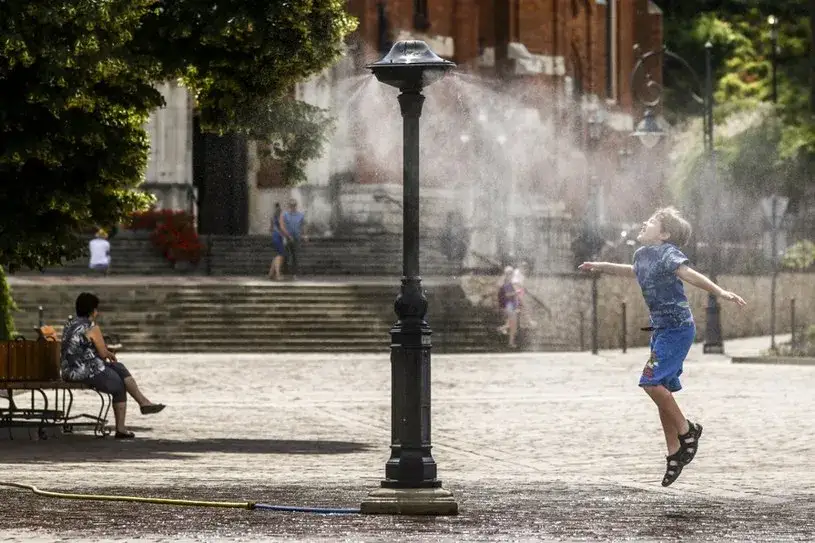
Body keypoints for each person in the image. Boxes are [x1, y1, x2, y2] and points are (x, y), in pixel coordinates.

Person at [578, 207, 746, 487]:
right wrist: (601, 266)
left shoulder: (669, 254)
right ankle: (674, 453)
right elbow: (632, 271)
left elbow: (689, 274)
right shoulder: (642, 255)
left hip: (678, 329)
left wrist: (719, 292)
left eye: (653, 222)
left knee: (651, 382)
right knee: (661, 391)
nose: (645, 222)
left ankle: (687, 430)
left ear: (665, 234)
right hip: (660, 331)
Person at [61, 293, 165, 439]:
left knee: (119, 368)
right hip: (84, 370)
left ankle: (143, 403)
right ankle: (123, 425)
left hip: (68, 370)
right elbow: (103, 354)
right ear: (93, 311)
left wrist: (108, 356)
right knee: (119, 385)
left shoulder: (69, 325)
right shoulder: (91, 327)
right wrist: (111, 352)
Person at [280, 198, 307, 280]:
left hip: (296, 237)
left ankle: (294, 274)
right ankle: (284, 273)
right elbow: (282, 226)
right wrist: (288, 235)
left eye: (294, 205)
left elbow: (303, 225)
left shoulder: (300, 215)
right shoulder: (285, 214)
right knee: (286, 256)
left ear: (296, 206)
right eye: (291, 205)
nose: (293, 207)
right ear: (289, 206)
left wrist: (305, 234)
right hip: (287, 237)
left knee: (295, 256)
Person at [496, 266, 519, 348]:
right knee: (513, 325)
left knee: (513, 324)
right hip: (509, 305)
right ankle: (511, 343)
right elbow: (507, 295)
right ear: (508, 274)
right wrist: (516, 292)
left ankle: (501, 329)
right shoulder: (506, 282)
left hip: (511, 305)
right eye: (511, 273)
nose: (512, 275)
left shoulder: (509, 282)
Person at [268, 203, 285, 280]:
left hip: (274, 236)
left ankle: (271, 273)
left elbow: (270, 229)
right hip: (279, 236)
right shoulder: (280, 216)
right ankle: (278, 274)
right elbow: (282, 227)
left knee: (276, 255)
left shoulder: (272, 217)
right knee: (279, 255)